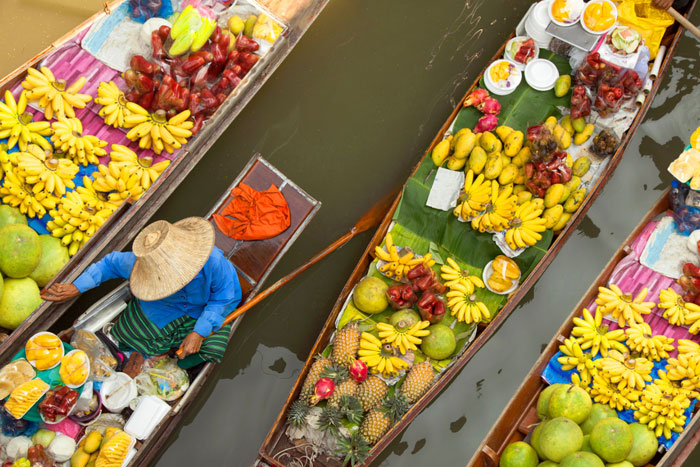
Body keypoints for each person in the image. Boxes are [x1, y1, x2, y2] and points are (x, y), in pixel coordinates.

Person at [42, 217, 242, 369]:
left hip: (205, 309)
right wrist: (76, 287)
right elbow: (109, 264)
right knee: (127, 335)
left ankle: (176, 362)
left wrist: (199, 332)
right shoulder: (140, 265)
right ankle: (159, 352)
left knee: (213, 348)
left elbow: (223, 298)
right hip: (164, 307)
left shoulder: (213, 262)